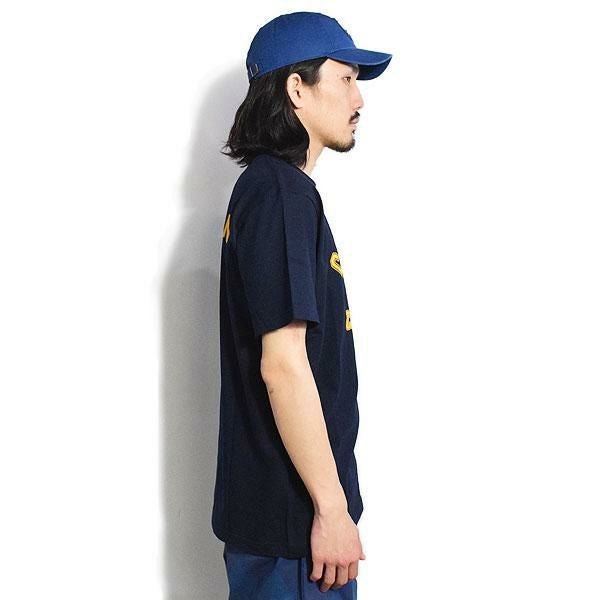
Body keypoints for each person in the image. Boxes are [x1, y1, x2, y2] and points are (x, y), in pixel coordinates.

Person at [211, 11, 392, 599]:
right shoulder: (279, 193)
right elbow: (284, 365)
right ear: (297, 88)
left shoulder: (275, 192)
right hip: (297, 532)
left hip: (290, 526)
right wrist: (332, 511)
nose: (358, 99)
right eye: (346, 78)